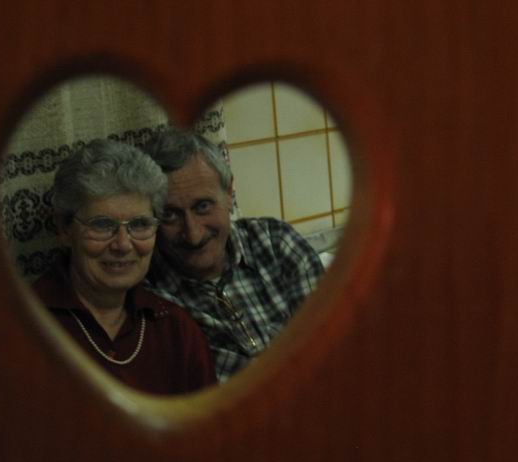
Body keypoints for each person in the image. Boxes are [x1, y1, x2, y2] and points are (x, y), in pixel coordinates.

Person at [32, 139, 217, 395]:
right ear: (64, 228)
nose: (122, 245)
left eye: (140, 225)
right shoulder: (21, 326)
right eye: (101, 225)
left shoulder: (176, 329)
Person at [142, 129, 325, 382]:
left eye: (203, 206)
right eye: (170, 215)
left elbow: (332, 343)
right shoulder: (151, 298)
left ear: (229, 194)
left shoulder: (276, 244)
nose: (193, 235)